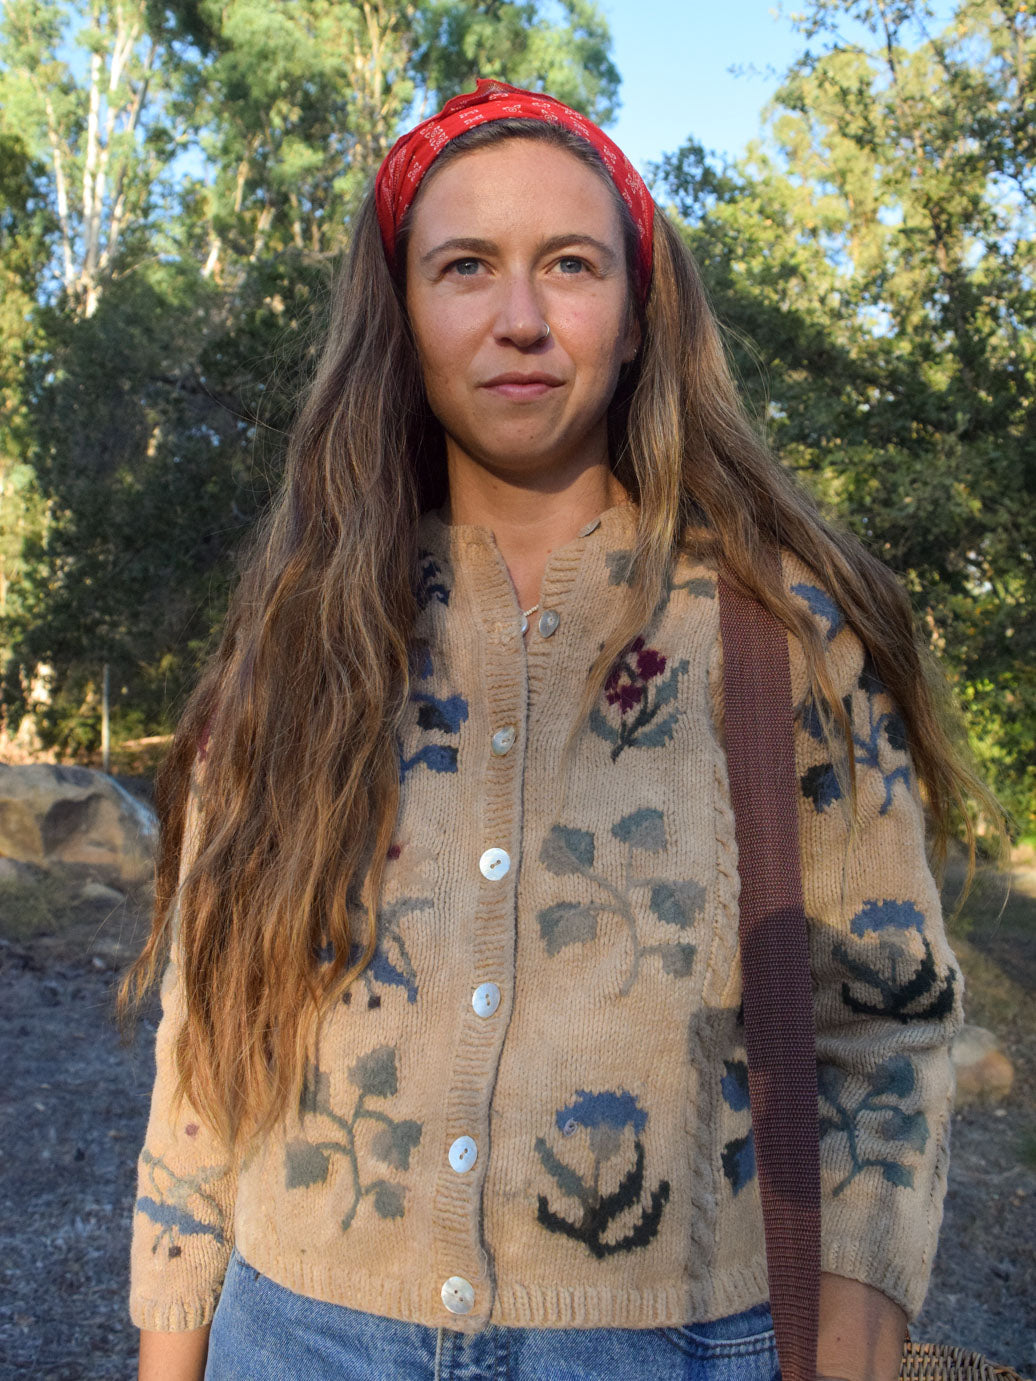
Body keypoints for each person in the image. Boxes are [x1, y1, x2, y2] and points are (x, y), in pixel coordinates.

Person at [125, 79, 984, 1381]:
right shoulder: (299, 643)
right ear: (403, 316)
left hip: (677, 1348)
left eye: (570, 265)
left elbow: (888, 1031)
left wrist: (848, 1354)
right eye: (465, 266)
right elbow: (211, 1033)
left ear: (637, 320)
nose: (519, 317)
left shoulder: (780, 635)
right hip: (296, 1338)